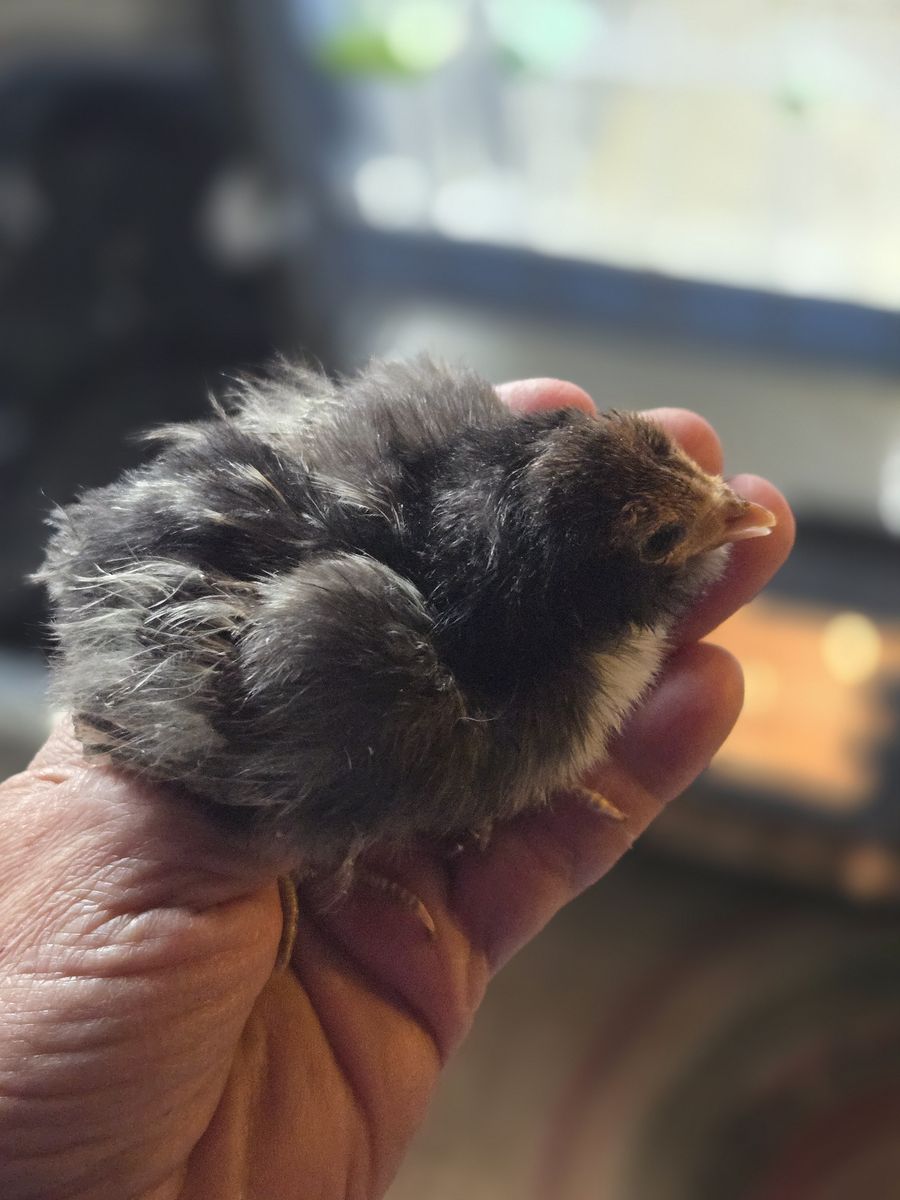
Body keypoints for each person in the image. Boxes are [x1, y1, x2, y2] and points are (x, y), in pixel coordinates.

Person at [0, 378, 793, 1200]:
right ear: (587, 607)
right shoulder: (432, 711)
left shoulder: (413, 458)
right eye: (668, 535)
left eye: (665, 464)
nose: (715, 499)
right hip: (195, 643)